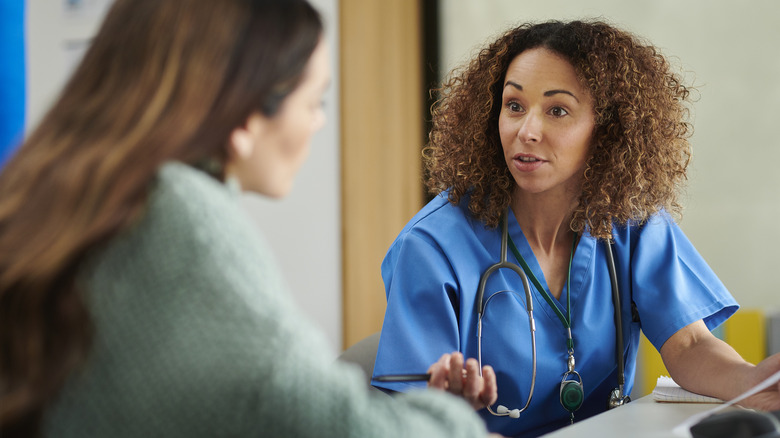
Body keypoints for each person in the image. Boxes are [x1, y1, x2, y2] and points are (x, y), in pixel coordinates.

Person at [0, 1, 500, 437]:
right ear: (243, 118)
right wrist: (449, 421)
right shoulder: (178, 218)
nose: (316, 122)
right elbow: (315, 420)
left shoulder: (50, 190)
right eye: (314, 102)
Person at [371, 19, 780, 437]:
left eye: (557, 110)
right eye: (514, 106)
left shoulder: (630, 223)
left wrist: (753, 382)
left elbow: (690, 345)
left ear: (607, 130)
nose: (526, 131)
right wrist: (446, 407)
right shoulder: (432, 246)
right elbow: (411, 415)